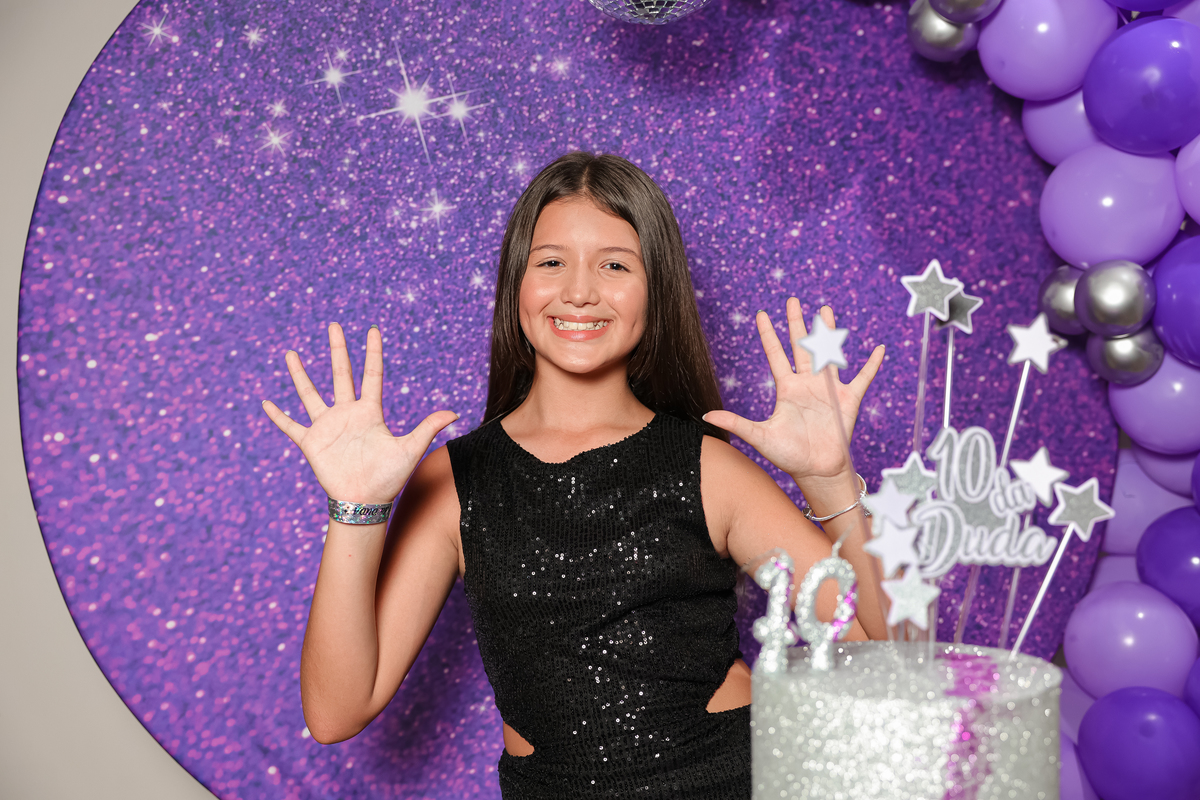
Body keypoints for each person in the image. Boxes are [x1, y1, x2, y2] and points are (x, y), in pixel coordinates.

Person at [261, 152, 887, 798]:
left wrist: (830, 479)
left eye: (614, 265)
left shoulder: (708, 469)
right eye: (552, 262)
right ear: (517, 283)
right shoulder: (453, 483)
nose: (580, 291)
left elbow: (882, 655)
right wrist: (356, 508)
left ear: (655, 289)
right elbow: (335, 712)